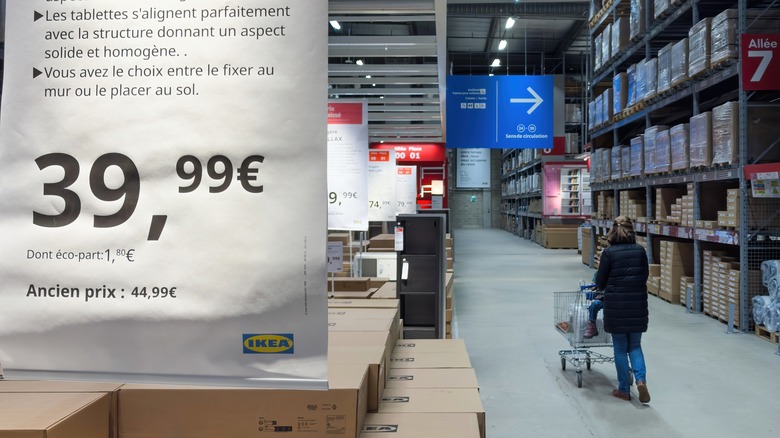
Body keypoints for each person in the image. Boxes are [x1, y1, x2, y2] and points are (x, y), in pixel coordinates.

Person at [594, 216, 651, 403]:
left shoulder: (609, 253)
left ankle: (624, 390)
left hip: (616, 306)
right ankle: (641, 381)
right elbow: (644, 276)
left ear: (612, 231)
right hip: (637, 305)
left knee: (620, 348)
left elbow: (600, 282)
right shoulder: (640, 251)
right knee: (635, 346)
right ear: (631, 231)